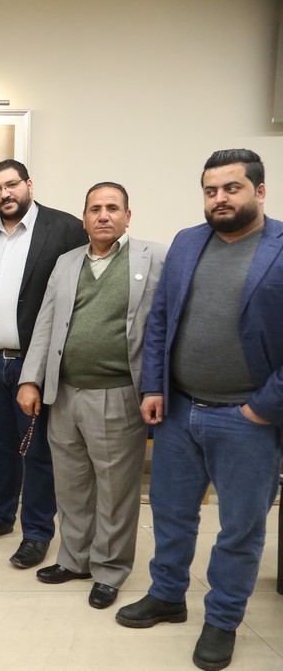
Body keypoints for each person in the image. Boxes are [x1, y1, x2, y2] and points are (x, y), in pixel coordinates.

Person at [115, 149, 283, 671]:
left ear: (259, 191)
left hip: (248, 420)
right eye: (211, 191)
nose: (219, 199)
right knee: (170, 513)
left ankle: (223, 619)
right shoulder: (189, 242)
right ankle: (167, 595)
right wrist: (154, 387)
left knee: (239, 529)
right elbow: (161, 318)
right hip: (179, 411)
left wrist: (262, 409)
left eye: (232, 188)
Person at [17, 182, 166, 609]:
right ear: (83, 218)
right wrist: (30, 380)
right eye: (95, 208)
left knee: (115, 490)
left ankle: (109, 569)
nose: (103, 215)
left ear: (127, 216)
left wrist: (156, 387)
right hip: (63, 393)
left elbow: (165, 326)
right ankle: (74, 559)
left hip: (118, 395)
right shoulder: (66, 263)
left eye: (112, 208)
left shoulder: (155, 258)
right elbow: (46, 323)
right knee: (71, 485)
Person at [0, 159, 89, 568]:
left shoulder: (64, 228)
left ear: (29, 185)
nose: (5, 194)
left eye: (12, 185)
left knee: (36, 451)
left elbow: (77, 297)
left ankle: (37, 532)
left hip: (32, 365)